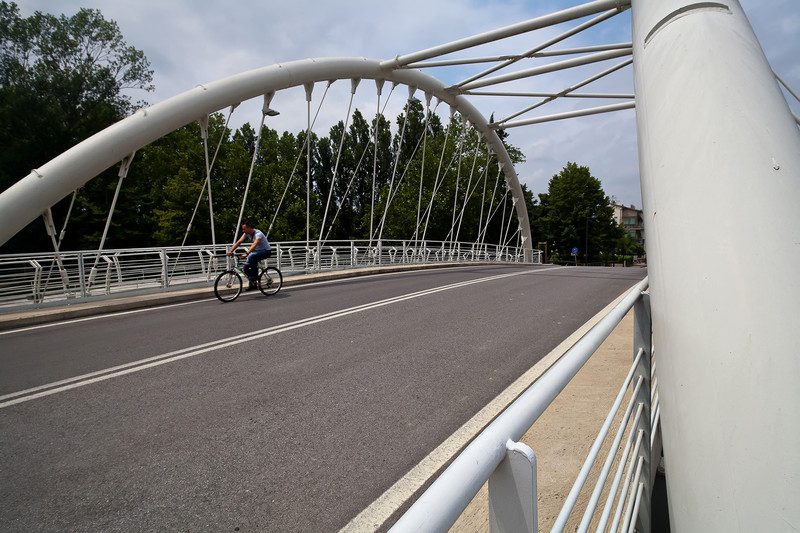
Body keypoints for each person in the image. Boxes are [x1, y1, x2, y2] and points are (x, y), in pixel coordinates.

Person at [227, 220, 271, 290]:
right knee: (245, 267)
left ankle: (254, 277)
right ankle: (253, 283)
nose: (243, 231)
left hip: (266, 251)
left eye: (244, 229)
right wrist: (230, 251)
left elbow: (254, 244)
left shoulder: (258, 234)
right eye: (243, 229)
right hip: (257, 252)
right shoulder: (246, 234)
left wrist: (247, 253)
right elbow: (239, 242)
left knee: (251, 256)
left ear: (249, 228)